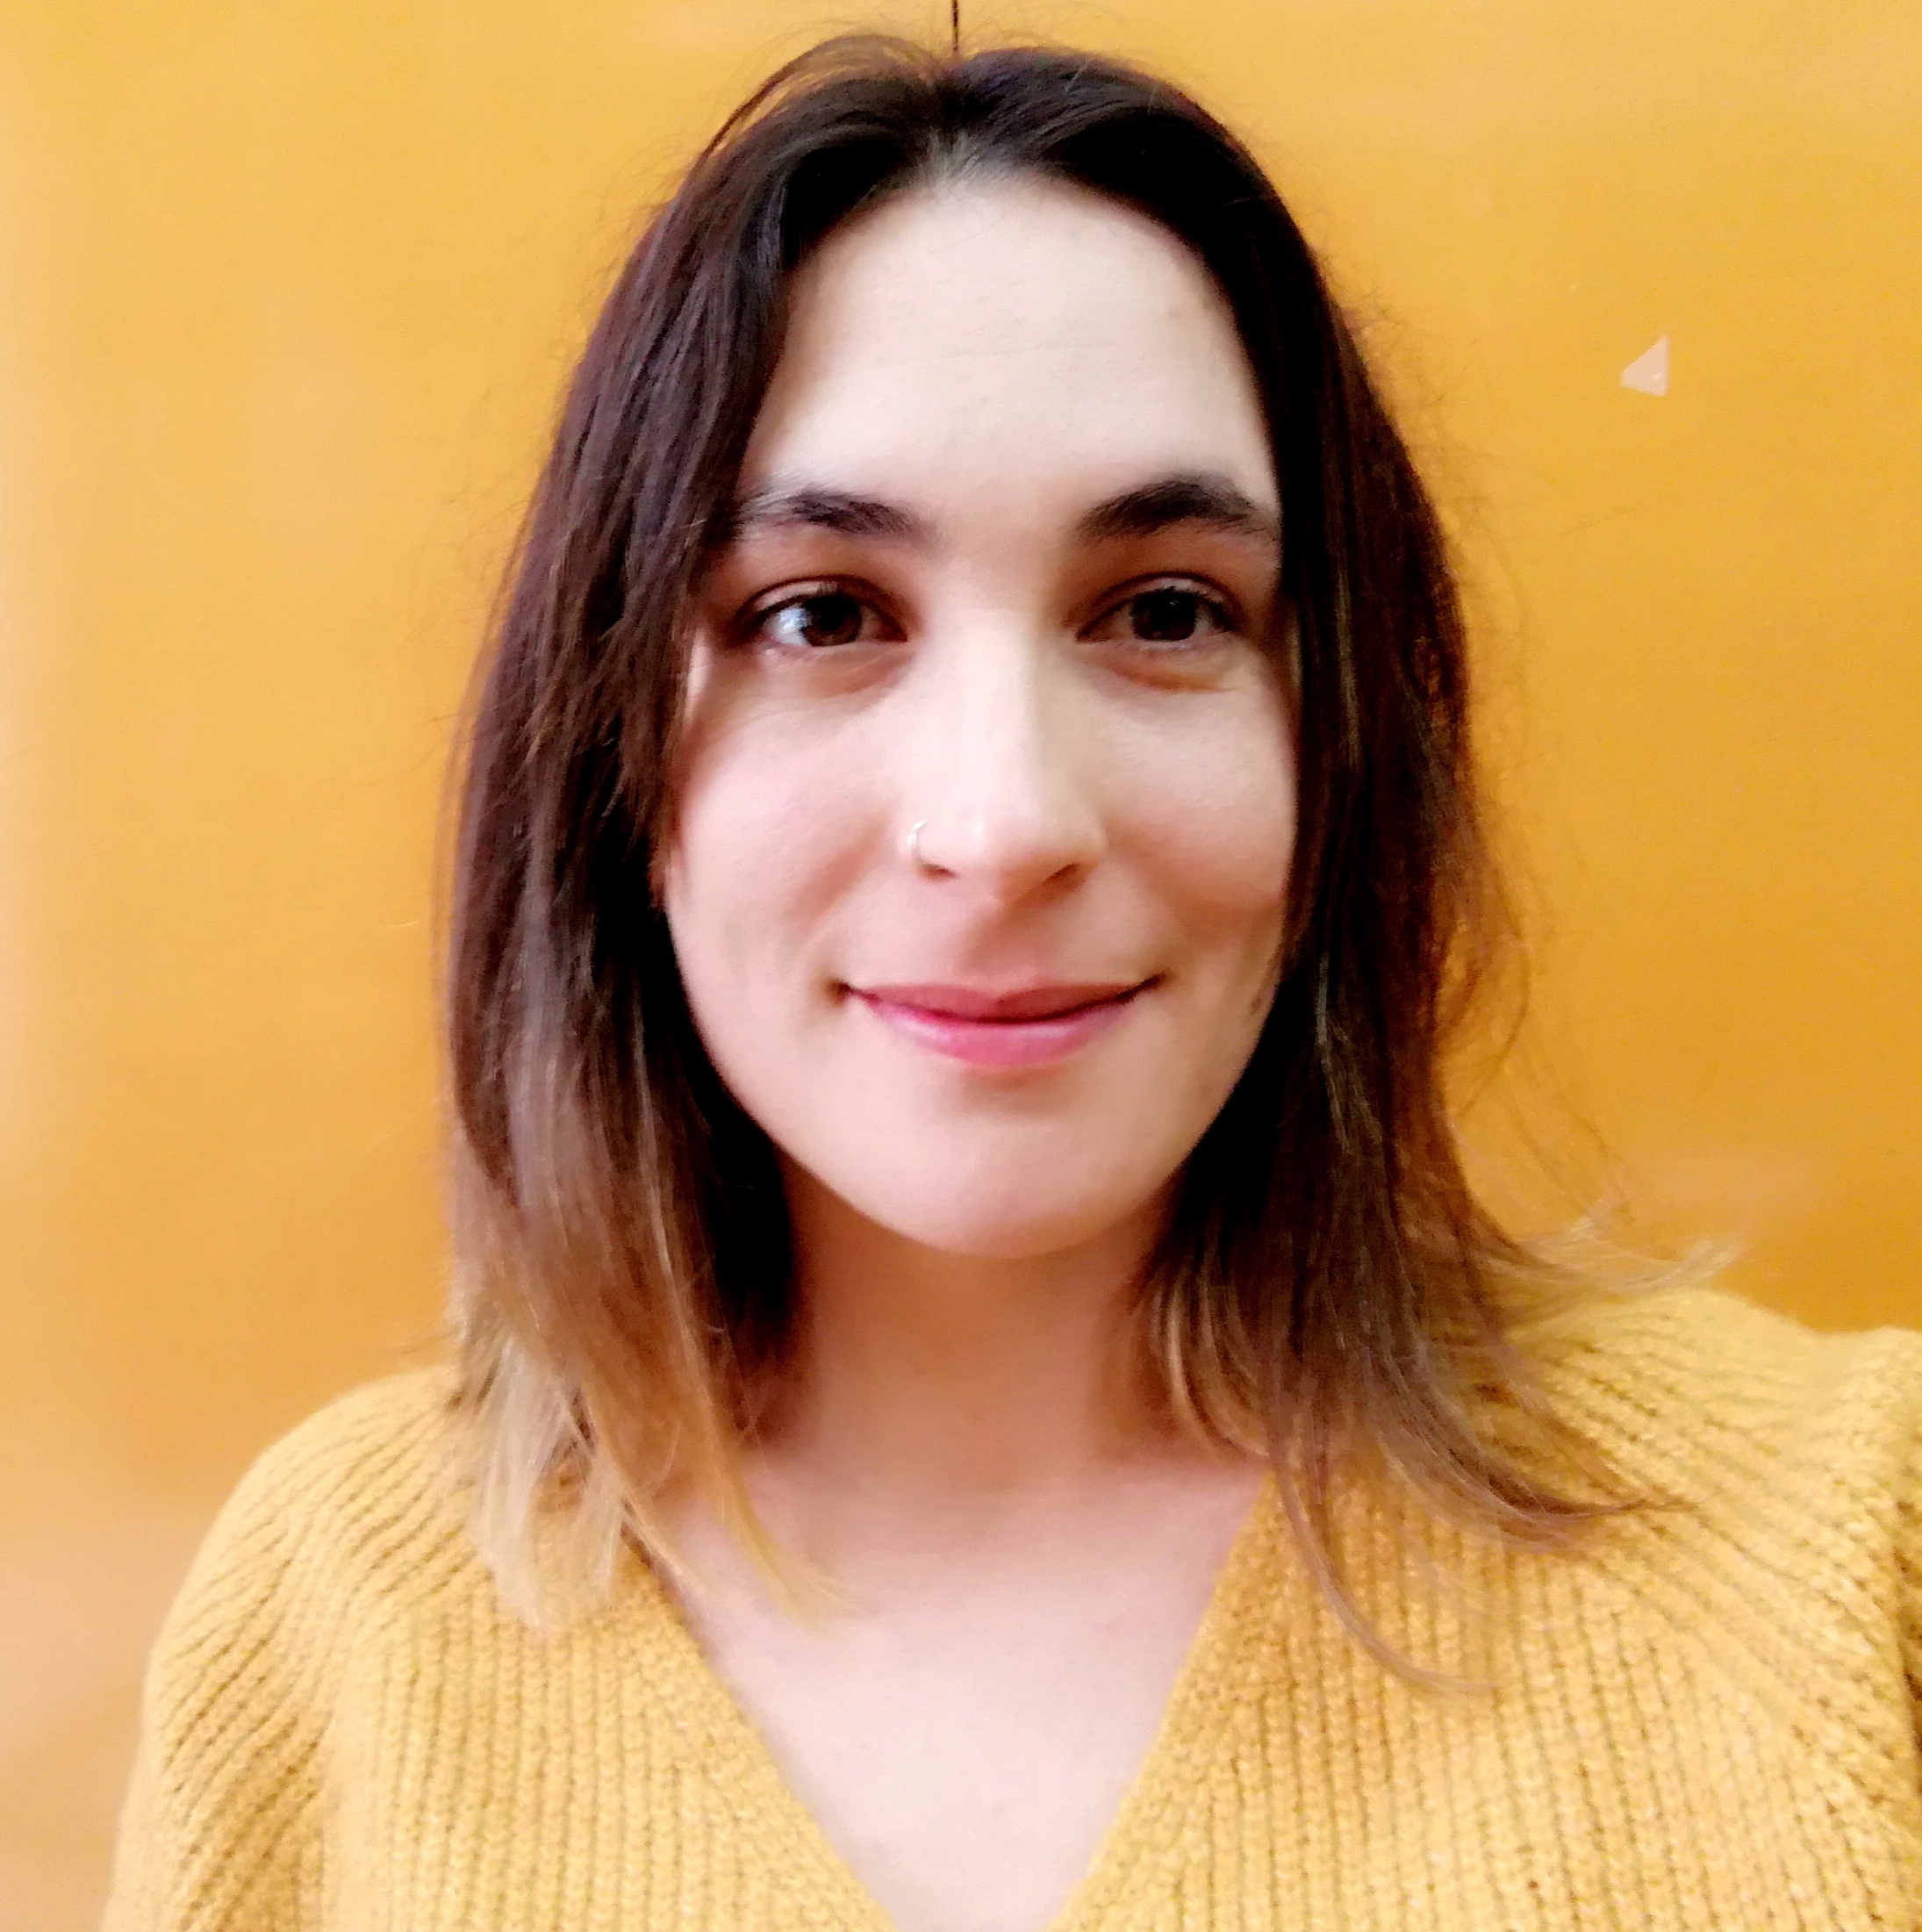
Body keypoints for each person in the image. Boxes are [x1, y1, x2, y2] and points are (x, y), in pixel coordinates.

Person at [104, 36, 1922, 1932]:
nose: (1003, 822)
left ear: (1342, 741)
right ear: (610, 762)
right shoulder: (330, 1625)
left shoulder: (1842, 1545)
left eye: (1165, 611)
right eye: (818, 614)